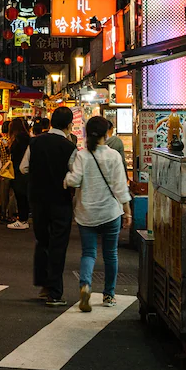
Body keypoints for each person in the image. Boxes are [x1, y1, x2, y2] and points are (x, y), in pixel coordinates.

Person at [66, 116, 132, 311]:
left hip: (86, 213)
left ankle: (85, 285)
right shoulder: (113, 156)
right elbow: (121, 187)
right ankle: (109, 295)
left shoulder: (82, 155)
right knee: (111, 254)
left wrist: (66, 179)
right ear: (106, 134)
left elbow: (75, 180)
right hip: (110, 213)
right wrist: (127, 212)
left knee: (88, 253)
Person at [26, 105, 78, 305]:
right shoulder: (69, 147)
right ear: (68, 125)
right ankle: (55, 292)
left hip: (38, 200)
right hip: (59, 200)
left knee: (42, 241)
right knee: (58, 244)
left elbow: (24, 167)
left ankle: (44, 286)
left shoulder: (35, 143)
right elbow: (75, 177)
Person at [5, 117, 31, 230]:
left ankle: (22, 220)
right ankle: (23, 218)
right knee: (23, 195)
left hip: (19, 170)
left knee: (20, 195)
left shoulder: (19, 139)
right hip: (25, 170)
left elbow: (14, 153)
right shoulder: (27, 138)